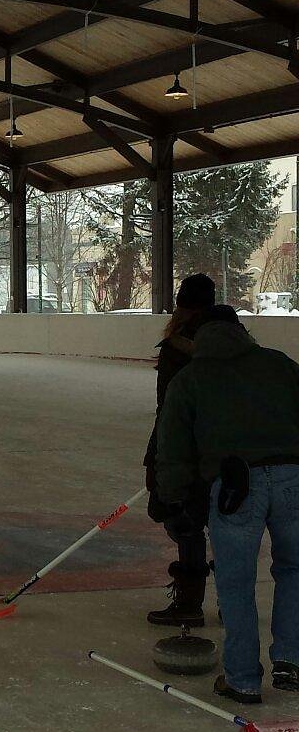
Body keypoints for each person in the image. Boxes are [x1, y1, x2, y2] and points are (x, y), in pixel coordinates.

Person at [155, 306, 299, 705]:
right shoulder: (280, 365)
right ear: (242, 331)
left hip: (236, 486)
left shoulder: (191, 378)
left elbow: (173, 447)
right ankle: (291, 658)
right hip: (293, 480)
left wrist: (176, 498)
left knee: (236, 583)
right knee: (295, 568)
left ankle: (243, 679)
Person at [144, 273, 216, 627]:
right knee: (223, 523)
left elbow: (169, 412)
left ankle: (190, 599)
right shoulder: (236, 343)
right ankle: (232, 600)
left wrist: (158, 461)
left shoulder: (178, 348)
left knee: (182, 522)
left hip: (188, 452)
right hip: (229, 453)